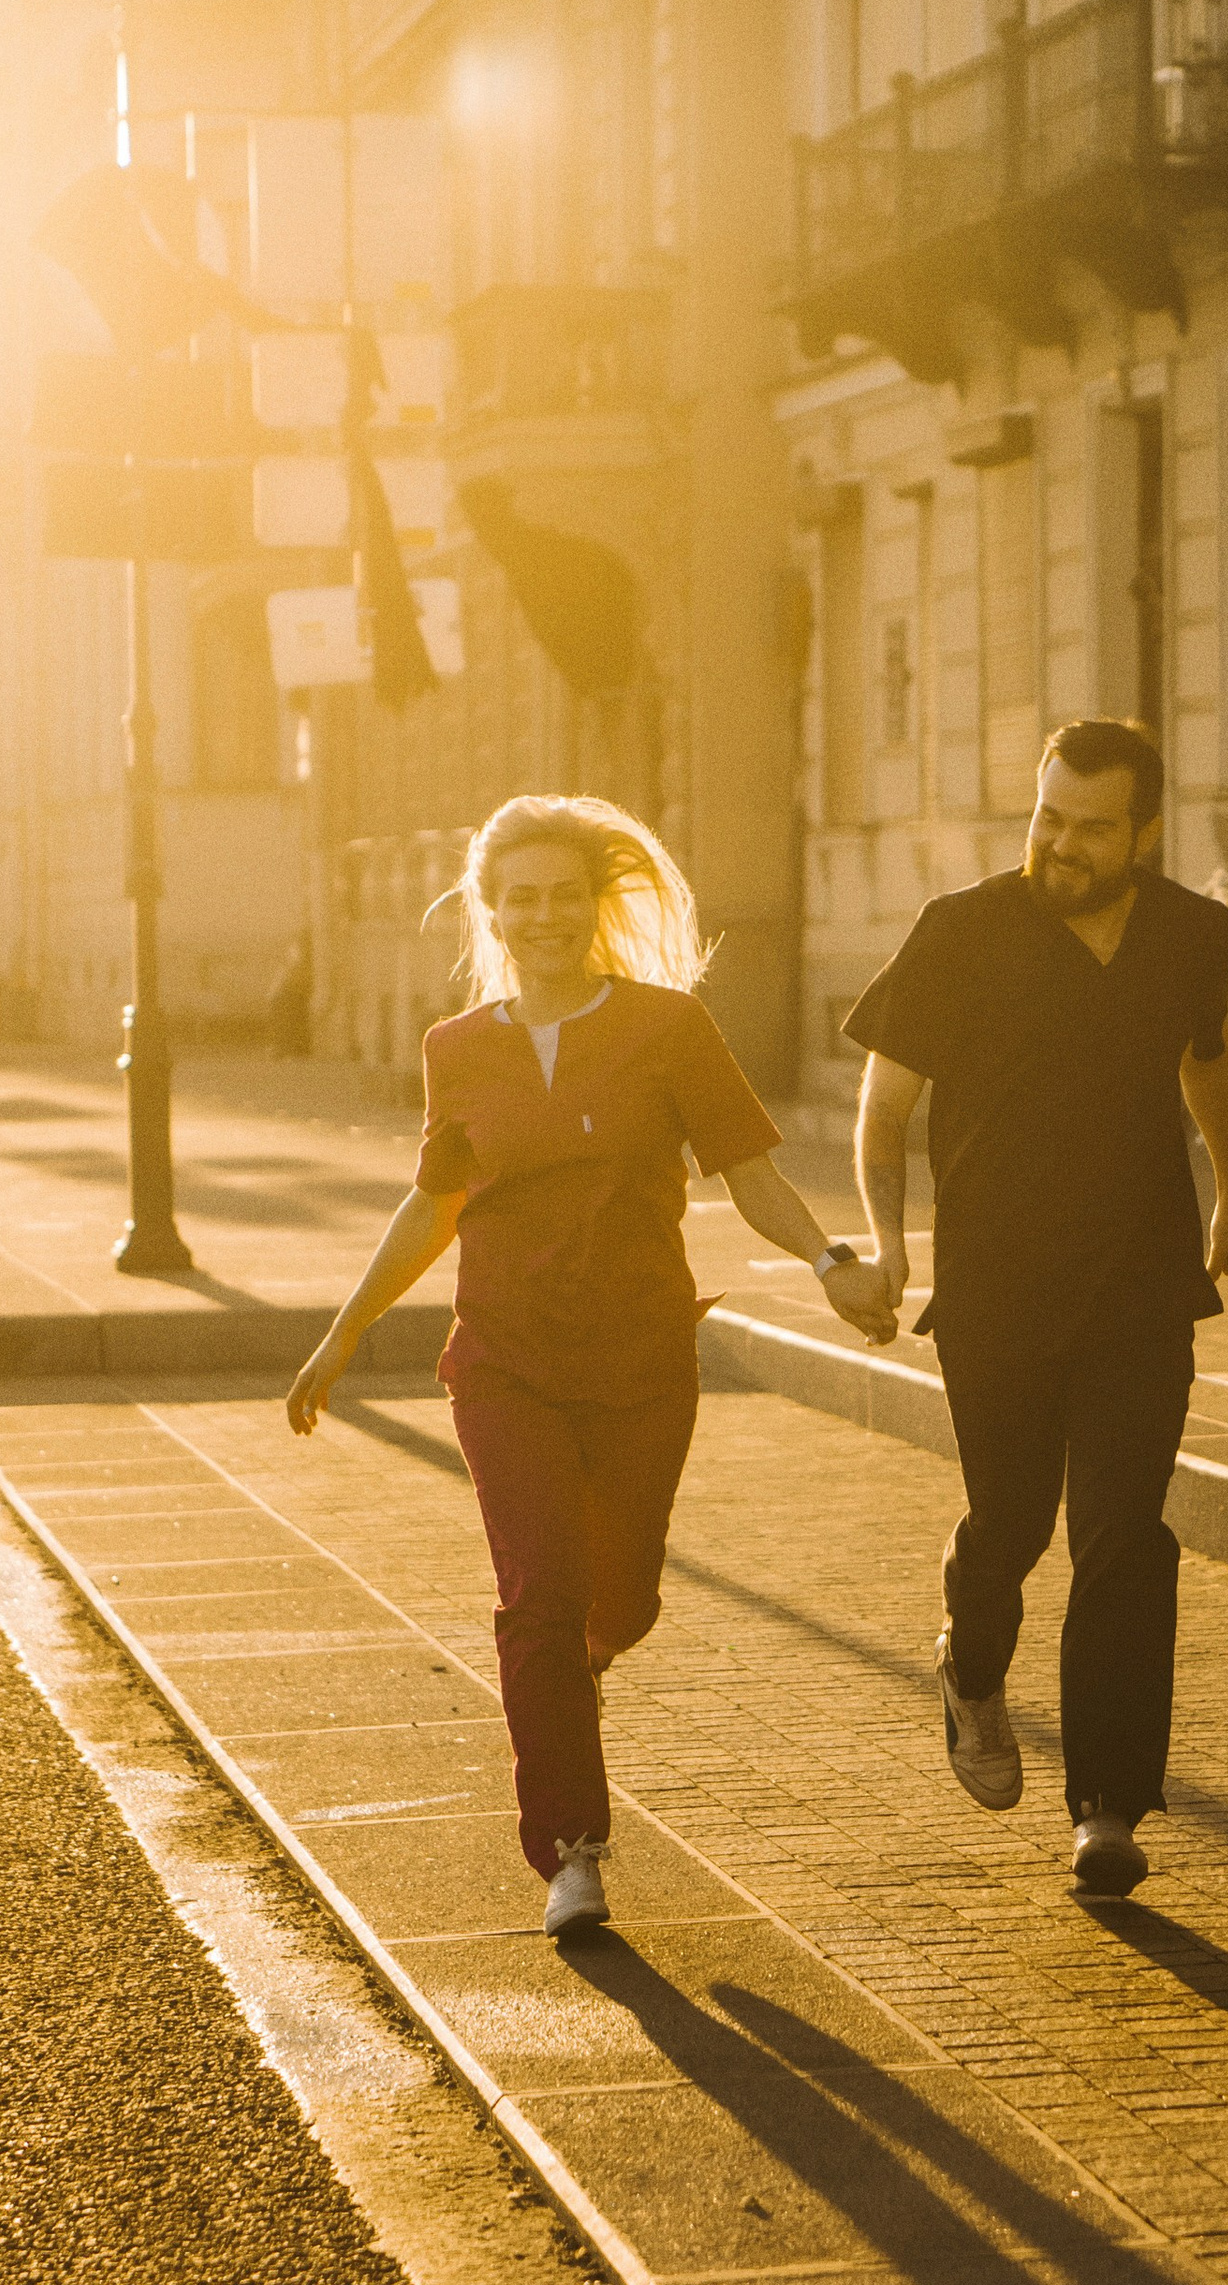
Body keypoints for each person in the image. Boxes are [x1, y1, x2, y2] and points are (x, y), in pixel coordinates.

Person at [286, 795, 896, 1938]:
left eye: (566, 893)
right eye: (522, 896)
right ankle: (570, 1846)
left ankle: (581, 1670)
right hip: (506, 1359)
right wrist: (346, 1328)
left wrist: (829, 1259)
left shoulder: (667, 1029)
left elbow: (749, 1173)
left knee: (622, 1597)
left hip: (641, 1352)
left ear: (594, 904)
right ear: (492, 911)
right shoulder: (456, 1049)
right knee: (539, 1597)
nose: (545, 914)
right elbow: (436, 1202)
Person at [842, 719, 1228, 1898]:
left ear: (1145, 831)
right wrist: (885, 1242)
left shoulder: (1192, 932)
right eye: (1047, 817)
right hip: (997, 1290)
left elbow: (1204, 1056)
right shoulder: (962, 932)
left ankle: (1107, 1808)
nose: (1060, 846)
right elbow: (882, 1117)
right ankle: (971, 1661)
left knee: (1125, 1537)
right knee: (1011, 1526)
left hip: (1139, 1281)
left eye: (1091, 827)